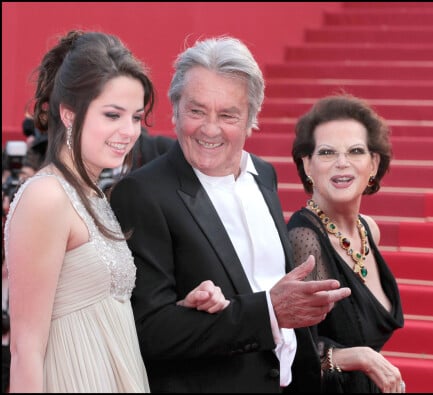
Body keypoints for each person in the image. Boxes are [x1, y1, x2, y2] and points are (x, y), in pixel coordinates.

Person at [109, 35, 351, 393]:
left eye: (227, 115)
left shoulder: (264, 176)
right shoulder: (142, 193)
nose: (209, 129)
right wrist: (269, 311)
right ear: (175, 110)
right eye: (196, 111)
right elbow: (147, 331)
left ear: (251, 120)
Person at [3, 30, 228, 393]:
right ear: (69, 114)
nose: (128, 131)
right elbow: (25, 347)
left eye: (136, 117)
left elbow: (102, 307)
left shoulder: (93, 194)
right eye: (112, 115)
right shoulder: (47, 197)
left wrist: (184, 305)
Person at [287, 94, 406, 393]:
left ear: (374, 163)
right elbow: (295, 353)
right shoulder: (305, 239)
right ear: (308, 165)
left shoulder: (369, 231)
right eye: (327, 153)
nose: (342, 163)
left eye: (355, 151)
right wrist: (360, 357)